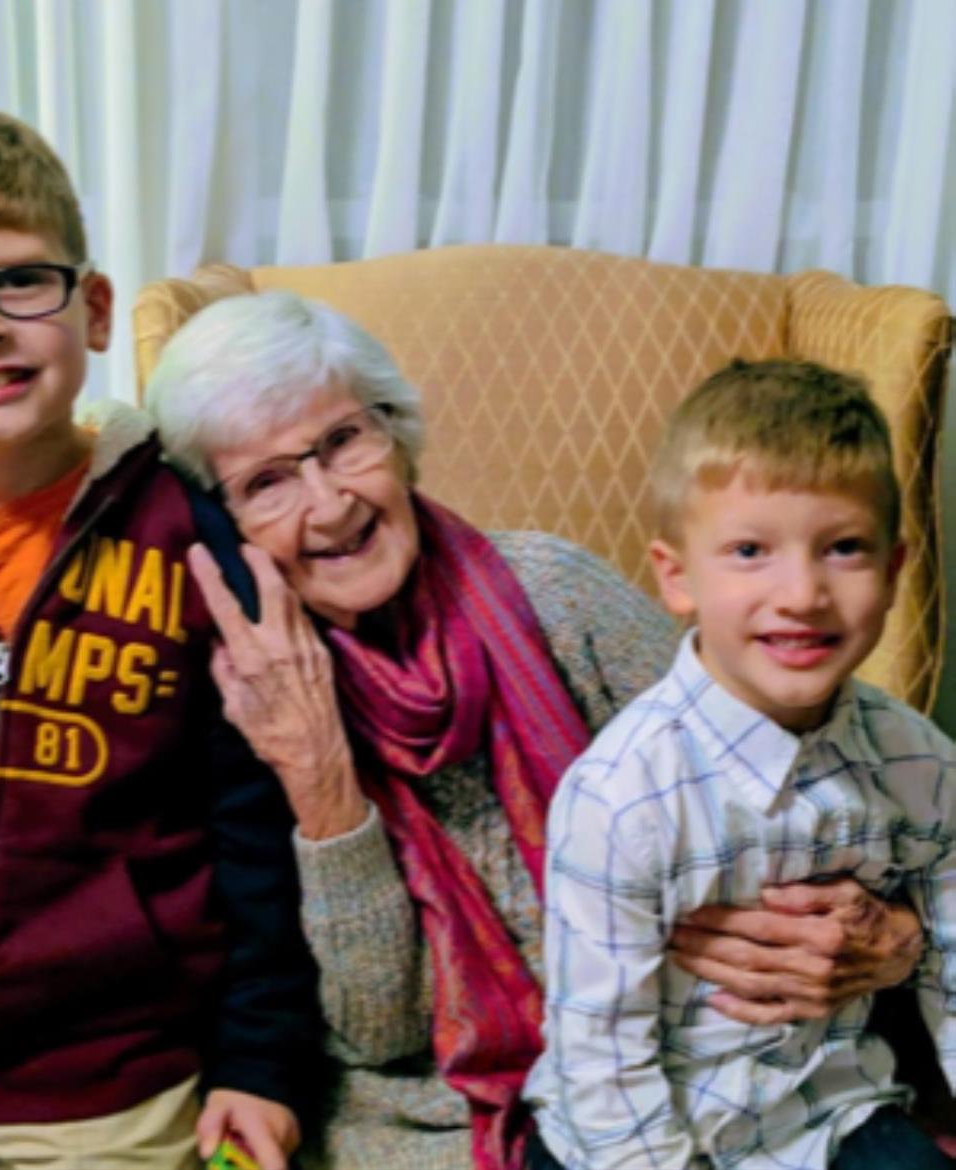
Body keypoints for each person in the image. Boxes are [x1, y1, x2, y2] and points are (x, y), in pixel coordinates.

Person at [146, 293, 924, 1170]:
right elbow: (380, 1031)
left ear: (396, 433)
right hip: (434, 1122)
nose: (328, 505)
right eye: (267, 483)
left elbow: (791, 788)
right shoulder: (247, 694)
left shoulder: (553, 591)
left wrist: (897, 937)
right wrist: (320, 775)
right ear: (221, 526)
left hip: (697, 1065)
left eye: (342, 442)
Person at [0, 107, 318, 1170]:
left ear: (91, 310)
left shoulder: (189, 536)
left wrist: (261, 1060)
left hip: (120, 1084)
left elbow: (251, 822)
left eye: (20, 282)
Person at [525, 358, 956, 1170]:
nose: (802, 593)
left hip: (828, 1112)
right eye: (750, 550)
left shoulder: (922, 763)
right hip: (638, 1129)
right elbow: (602, 1061)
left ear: (895, 571)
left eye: (844, 548)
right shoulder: (621, 796)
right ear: (677, 577)